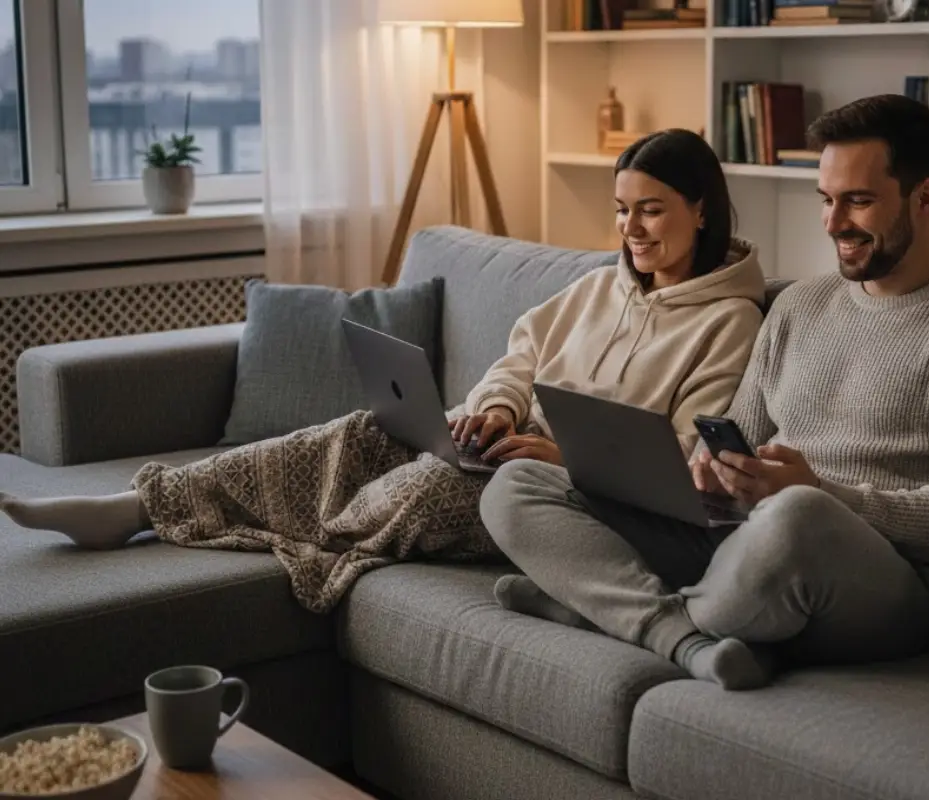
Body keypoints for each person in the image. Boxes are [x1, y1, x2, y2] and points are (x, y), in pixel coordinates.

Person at [0, 128, 767, 614]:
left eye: (652, 211)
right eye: (621, 210)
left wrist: (555, 456)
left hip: (572, 498)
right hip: (510, 450)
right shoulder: (602, 285)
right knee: (359, 431)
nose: (630, 230)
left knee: (432, 484)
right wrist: (497, 409)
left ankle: (294, 532)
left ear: (702, 210)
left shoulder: (730, 321)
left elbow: (674, 463)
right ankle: (141, 507)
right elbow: (521, 355)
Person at [479, 94, 929, 691]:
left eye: (858, 201)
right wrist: (708, 471)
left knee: (798, 515)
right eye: (826, 200)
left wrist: (824, 492)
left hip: (879, 582)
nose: (832, 223)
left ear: (926, 197)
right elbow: (730, 438)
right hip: (743, 539)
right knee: (517, 486)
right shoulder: (801, 304)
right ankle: (680, 634)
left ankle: (596, 608)